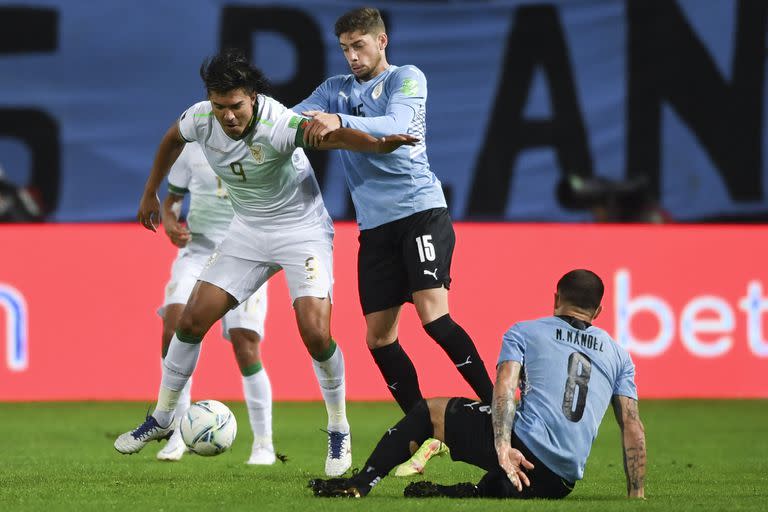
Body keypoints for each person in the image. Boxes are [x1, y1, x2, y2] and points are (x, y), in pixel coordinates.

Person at [114, 49, 418, 477]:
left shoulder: (279, 123)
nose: (228, 116)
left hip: (302, 233)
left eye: (236, 106)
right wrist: (151, 193)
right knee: (190, 322)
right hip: (248, 233)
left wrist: (380, 143)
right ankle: (163, 417)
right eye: (220, 107)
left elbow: (334, 138)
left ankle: (337, 426)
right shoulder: (201, 118)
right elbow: (171, 139)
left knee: (315, 333)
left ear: (253, 98)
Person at [292, 6, 494, 475]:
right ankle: (423, 426)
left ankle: (501, 411)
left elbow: (398, 125)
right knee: (379, 338)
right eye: (344, 48)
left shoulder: (406, 78)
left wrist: (334, 121)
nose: (352, 57)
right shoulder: (334, 88)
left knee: (433, 315)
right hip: (374, 229)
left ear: (382, 42)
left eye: (359, 46)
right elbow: (293, 121)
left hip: (420, 212)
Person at [309, 269, 647, 499]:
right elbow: (632, 426)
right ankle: (472, 491)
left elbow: (503, 390)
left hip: (521, 453)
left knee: (430, 411)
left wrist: (502, 448)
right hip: (561, 481)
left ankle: (361, 483)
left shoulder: (526, 331)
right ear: (599, 310)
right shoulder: (620, 355)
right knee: (509, 477)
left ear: (556, 297)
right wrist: (637, 495)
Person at [155, 142, 274, 465]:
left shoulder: (261, 145)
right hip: (197, 253)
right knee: (173, 328)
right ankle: (179, 431)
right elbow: (172, 202)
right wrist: (170, 224)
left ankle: (264, 443)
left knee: (245, 343)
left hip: (245, 255)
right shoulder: (192, 150)